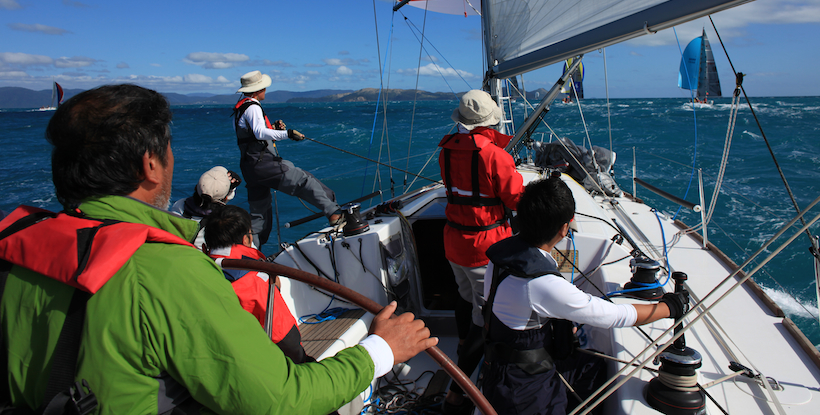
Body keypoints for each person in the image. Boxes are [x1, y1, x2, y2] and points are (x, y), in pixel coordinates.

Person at [0, 84, 437, 415]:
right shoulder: (167, 271)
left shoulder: (13, 249)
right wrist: (381, 349)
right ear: (150, 164)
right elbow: (280, 400)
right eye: (167, 148)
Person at [482, 176, 689, 415]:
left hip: (501, 369)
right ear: (564, 228)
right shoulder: (541, 284)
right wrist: (668, 307)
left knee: (591, 366)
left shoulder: (502, 257)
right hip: (524, 391)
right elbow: (613, 316)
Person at [437, 89, 525, 413]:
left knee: (464, 296)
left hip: (453, 242)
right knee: (484, 316)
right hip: (484, 248)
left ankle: (461, 343)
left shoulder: (445, 152)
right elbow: (516, 199)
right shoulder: (495, 156)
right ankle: (455, 393)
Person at [233, 70, 342, 247]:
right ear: (257, 90)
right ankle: (334, 213)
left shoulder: (241, 108)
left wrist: (273, 129)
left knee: (259, 215)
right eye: (264, 88)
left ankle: (251, 252)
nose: (265, 90)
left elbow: (252, 137)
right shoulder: (253, 107)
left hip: (250, 167)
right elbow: (259, 133)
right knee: (303, 180)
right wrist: (287, 134)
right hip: (263, 164)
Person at [203, 204, 309, 364]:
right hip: (256, 361)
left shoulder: (197, 270)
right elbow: (283, 334)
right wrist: (301, 359)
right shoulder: (256, 278)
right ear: (246, 239)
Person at [170, 165, 242, 248]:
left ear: (196, 187)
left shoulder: (179, 205)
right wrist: (231, 190)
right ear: (226, 198)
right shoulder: (224, 226)